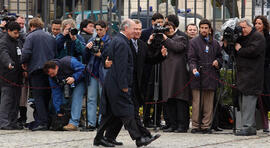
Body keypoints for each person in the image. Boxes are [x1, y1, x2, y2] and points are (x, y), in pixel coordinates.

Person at [93, 19, 159, 147]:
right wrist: (124, 86)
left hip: (113, 83)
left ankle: (99, 139)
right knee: (127, 111)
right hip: (118, 85)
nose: (135, 31)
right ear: (126, 28)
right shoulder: (122, 43)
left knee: (110, 114)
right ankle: (139, 139)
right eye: (133, 28)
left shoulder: (118, 40)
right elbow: (121, 67)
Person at [63, 20, 111, 131]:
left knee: (103, 99)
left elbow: (110, 56)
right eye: (97, 30)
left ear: (106, 29)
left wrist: (101, 54)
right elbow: (84, 58)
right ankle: (91, 123)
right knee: (91, 98)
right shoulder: (92, 39)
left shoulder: (110, 40)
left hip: (103, 73)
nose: (98, 32)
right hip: (92, 72)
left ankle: (102, 122)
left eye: (101, 30)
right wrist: (87, 49)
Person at [224, 18, 265, 136]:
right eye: (240, 28)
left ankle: (248, 127)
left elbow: (253, 51)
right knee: (242, 102)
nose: (241, 30)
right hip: (242, 75)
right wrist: (227, 43)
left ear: (249, 26)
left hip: (252, 75)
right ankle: (247, 126)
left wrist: (240, 49)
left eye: (243, 28)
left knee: (248, 102)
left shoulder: (257, 37)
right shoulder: (241, 37)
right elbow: (232, 53)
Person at [21, 18, 57, 131]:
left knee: (38, 97)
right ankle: (46, 119)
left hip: (36, 70)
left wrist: (23, 62)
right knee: (47, 96)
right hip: (49, 70)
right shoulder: (50, 37)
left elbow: (26, 53)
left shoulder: (30, 36)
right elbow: (55, 53)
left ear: (31, 26)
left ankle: (42, 122)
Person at [188, 19, 223, 134]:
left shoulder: (215, 43)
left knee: (208, 103)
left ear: (209, 29)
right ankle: (195, 125)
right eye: (202, 28)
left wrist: (218, 62)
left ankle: (206, 126)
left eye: (205, 28)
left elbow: (220, 57)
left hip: (211, 75)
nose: (203, 30)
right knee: (197, 102)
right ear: (199, 29)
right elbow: (191, 58)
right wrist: (193, 68)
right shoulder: (194, 42)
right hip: (198, 75)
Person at [157, 21, 190, 133]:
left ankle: (182, 125)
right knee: (169, 100)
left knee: (180, 99)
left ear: (174, 28)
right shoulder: (163, 39)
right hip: (167, 74)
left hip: (179, 75)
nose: (168, 30)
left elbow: (177, 47)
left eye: (169, 28)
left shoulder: (181, 38)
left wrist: (165, 38)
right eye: (165, 28)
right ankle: (172, 124)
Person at [43, 56, 85, 131]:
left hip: (80, 80)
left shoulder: (69, 62)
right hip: (67, 85)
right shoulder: (52, 77)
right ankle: (77, 119)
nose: (52, 76)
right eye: (50, 75)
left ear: (56, 67)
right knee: (64, 101)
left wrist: (74, 78)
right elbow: (56, 94)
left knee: (76, 98)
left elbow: (83, 69)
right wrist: (59, 111)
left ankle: (74, 123)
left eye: (53, 73)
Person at [140, 12, 165, 128]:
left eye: (161, 22)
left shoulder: (164, 32)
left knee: (159, 94)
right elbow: (141, 48)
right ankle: (146, 119)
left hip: (160, 65)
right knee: (148, 94)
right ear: (152, 22)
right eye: (157, 22)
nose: (159, 24)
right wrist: (149, 41)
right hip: (148, 67)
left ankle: (157, 118)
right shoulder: (145, 33)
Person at [0, 21, 23, 130]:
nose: (17, 35)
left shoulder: (17, 40)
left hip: (18, 76)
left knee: (16, 100)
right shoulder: (3, 42)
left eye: (18, 33)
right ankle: (4, 123)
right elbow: (4, 54)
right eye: (15, 33)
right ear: (8, 31)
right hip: (7, 76)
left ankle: (13, 121)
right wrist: (9, 63)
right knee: (7, 100)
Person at [253, 15, 270, 133]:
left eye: (259, 23)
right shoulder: (252, 38)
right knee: (258, 97)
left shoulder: (268, 38)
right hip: (255, 71)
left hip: (267, 70)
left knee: (267, 95)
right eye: (256, 23)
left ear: (264, 25)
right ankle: (264, 124)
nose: (257, 26)